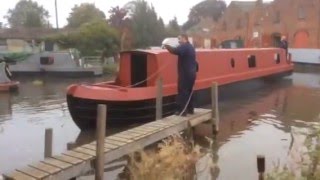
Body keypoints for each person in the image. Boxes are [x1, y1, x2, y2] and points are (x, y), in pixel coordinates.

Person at [164, 34, 198, 116]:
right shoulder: (191, 47)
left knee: (182, 91)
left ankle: (182, 111)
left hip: (185, 74)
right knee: (189, 91)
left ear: (184, 39)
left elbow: (175, 51)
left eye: (180, 39)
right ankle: (190, 109)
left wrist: (166, 46)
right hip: (192, 73)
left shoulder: (185, 46)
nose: (179, 41)